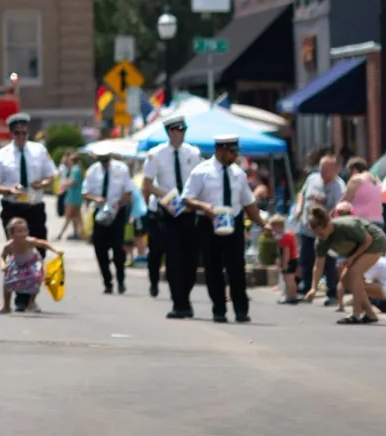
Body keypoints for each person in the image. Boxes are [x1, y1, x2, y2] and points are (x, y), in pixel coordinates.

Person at [182, 134, 263, 323]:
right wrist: (203, 207)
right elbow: (187, 198)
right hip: (208, 224)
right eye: (231, 152)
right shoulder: (201, 171)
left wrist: (262, 222)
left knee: (236, 268)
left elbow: (248, 202)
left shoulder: (239, 174)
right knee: (213, 268)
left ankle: (241, 310)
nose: (235, 156)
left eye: (236, 152)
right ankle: (219, 309)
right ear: (220, 151)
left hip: (233, 223)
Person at [141, 116, 203, 317]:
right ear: (170, 131)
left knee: (192, 259)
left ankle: (185, 296)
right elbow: (148, 184)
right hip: (168, 212)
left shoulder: (193, 153)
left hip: (189, 210)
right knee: (174, 259)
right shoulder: (156, 154)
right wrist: (167, 199)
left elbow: (200, 179)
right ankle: (179, 303)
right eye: (177, 130)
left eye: (183, 130)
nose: (181, 134)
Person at [306, 205, 386, 324]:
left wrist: (352, 258)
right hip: (358, 249)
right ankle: (370, 313)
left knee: (355, 273)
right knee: (346, 279)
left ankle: (356, 313)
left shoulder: (347, 226)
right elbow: (318, 265)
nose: (321, 237)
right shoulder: (321, 241)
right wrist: (313, 288)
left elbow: (368, 240)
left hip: (375, 242)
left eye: (322, 233)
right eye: (318, 234)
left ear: (328, 224)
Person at [0, 114, 53, 242]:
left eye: (24, 133)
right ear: (11, 134)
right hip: (13, 208)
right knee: (15, 251)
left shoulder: (39, 151)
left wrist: (42, 184)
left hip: (34, 207)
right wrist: (9, 190)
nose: (21, 137)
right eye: (17, 133)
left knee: (39, 249)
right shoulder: (1, 155)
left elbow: (50, 177)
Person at [294, 153, 344, 302]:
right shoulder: (312, 179)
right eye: (321, 168)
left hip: (324, 232)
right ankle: (307, 287)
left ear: (335, 170)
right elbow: (302, 194)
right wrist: (299, 207)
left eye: (326, 169)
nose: (322, 171)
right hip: (307, 228)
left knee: (328, 261)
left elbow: (338, 208)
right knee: (306, 259)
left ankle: (331, 292)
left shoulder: (339, 186)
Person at [83, 149, 132, 294]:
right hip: (100, 212)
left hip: (117, 211)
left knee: (118, 248)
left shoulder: (121, 169)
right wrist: (96, 199)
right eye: (102, 160)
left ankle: (121, 279)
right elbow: (85, 192)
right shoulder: (93, 171)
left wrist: (118, 203)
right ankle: (107, 281)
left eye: (107, 160)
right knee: (100, 248)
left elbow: (128, 191)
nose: (105, 163)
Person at [0, 216, 59, 315]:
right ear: (11, 234)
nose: (23, 234)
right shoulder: (9, 246)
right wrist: (3, 265)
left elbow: (43, 244)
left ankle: (31, 302)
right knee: (7, 281)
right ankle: (6, 306)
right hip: (17, 263)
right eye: (19, 231)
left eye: (25, 230)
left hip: (32, 262)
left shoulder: (29, 241)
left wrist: (56, 250)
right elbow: (2, 257)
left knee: (36, 277)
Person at [340, 157, 384, 229]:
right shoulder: (377, 181)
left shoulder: (356, 179)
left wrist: (330, 215)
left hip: (362, 223)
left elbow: (344, 202)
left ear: (354, 170)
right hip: (379, 223)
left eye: (349, 172)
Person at [269, 214, 301, 304]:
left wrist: (285, 265)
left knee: (288, 280)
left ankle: (289, 296)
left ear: (278, 226)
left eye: (273, 226)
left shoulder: (284, 237)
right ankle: (293, 296)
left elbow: (286, 252)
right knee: (291, 279)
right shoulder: (290, 233)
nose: (273, 229)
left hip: (289, 260)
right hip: (294, 259)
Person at [54, 152, 85, 241]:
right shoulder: (77, 169)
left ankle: (60, 234)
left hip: (73, 196)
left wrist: (65, 183)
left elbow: (73, 182)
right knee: (76, 216)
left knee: (69, 216)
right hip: (75, 196)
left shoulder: (75, 169)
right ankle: (79, 233)